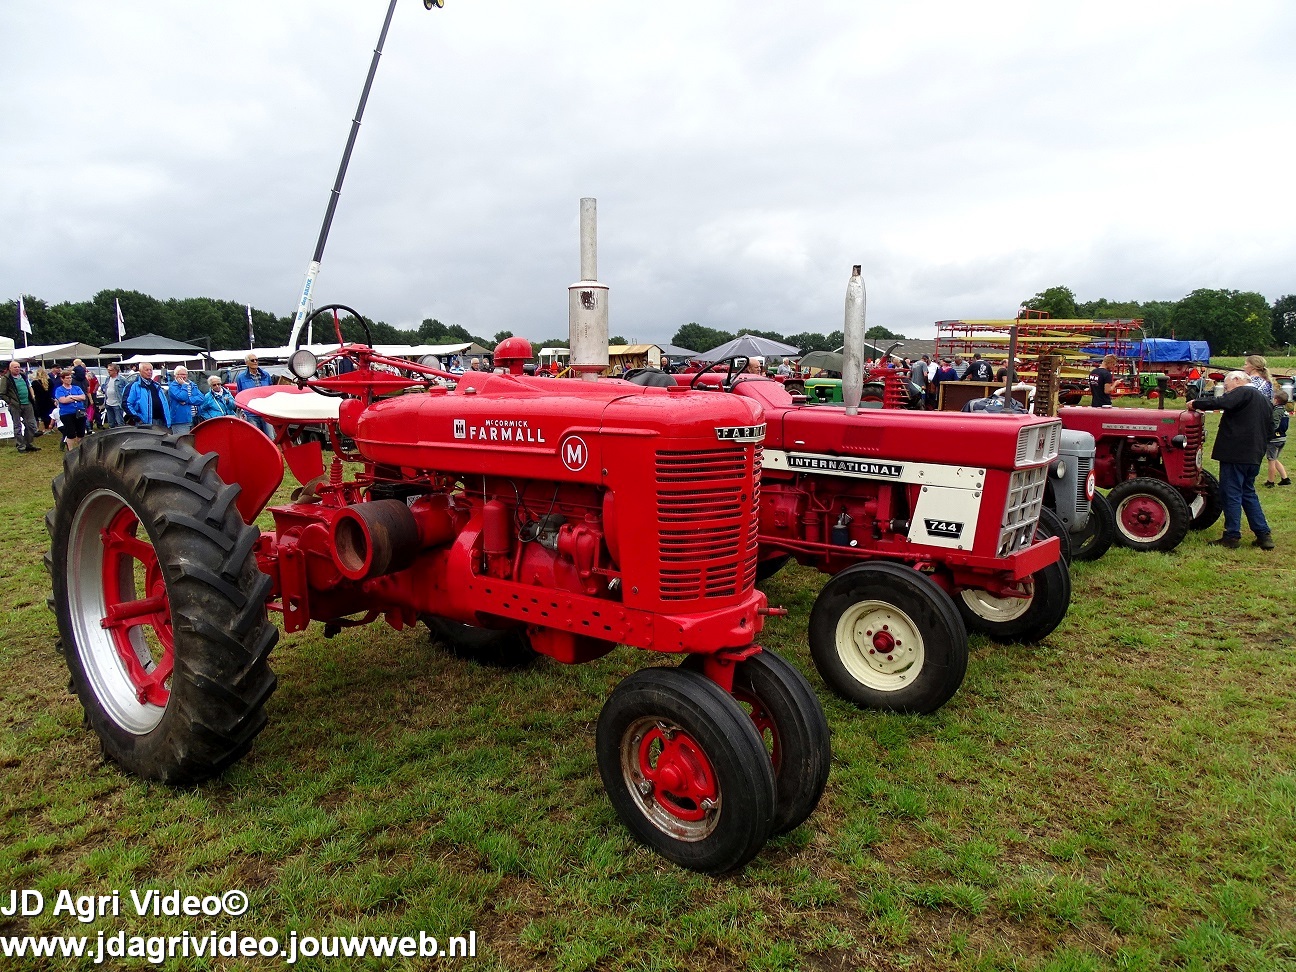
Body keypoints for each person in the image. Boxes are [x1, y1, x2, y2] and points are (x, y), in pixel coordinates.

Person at [1188, 371, 1274, 549]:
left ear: (1237, 380)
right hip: (1254, 454)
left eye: (1227, 387)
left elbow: (1221, 402)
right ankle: (1263, 534)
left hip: (1236, 453)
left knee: (1231, 493)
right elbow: (1271, 428)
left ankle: (1232, 535)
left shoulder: (1244, 392)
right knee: (1248, 492)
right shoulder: (1264, 399)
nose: (1226, 391)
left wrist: (1195, 403)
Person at [0, 360, 40, 452]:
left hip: (27, 403)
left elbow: (29, 386)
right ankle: (20, 446)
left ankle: (28, 443)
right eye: (15, 367)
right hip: (15, 405)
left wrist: (32, 397)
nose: (17, 369)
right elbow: (2, 393)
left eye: (18, 367)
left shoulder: (23, 376)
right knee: (17, 426)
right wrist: (10, 402)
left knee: (31, 424)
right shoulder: (6, 378)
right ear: (10, 368)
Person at [124, 362, 172, 431]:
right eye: (147, 370)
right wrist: (137, 418)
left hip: (162, 421)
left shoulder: (156, 385)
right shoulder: (133, 386)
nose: (149, 372)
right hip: (145, 423)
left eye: (151, 370)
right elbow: (126, 404)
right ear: (140, 371)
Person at [235, 354, 274, 434]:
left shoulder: (266, 375)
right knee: (256, 437)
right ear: (247, 363)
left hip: (266, 412)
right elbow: (240, 395)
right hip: (251, 413)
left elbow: (271, 391)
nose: (255, 362)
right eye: (252, 360)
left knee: (270, 437)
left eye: (256, 360)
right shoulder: (241, 378)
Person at [53, 369, 88, 450]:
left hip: (79, 412)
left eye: (70, 378)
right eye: (67, 378)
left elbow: (83, 397)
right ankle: (70, 450)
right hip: (67, 413)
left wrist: (71, 397)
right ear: (62, 379)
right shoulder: (59, 389)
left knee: (81, 433)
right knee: (71, 434)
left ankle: (81, 449)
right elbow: (63, 400)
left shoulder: (76, 388)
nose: (69, 380)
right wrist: (76, 398)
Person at [165, 366, 204, 435]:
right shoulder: (173, 386)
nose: (184, 376)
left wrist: (187, 401)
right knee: (182, 440)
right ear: (175, 375)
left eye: (185, 374)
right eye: (181, 374)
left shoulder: (192, 385)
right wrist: (184, 385)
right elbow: (182, 397)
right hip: (181, 421)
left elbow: (201, 398)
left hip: (195, 419)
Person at [1264, 391, 1290, 488]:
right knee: (1275, 459)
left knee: (1271, 460)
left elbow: (1274, 425)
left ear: (1276, 400)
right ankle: (1285, 478)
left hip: (1274, 439)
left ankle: (1270, 481)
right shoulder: (1284, 411)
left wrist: (1267, 433)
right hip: (1282, 437)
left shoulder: (1276, 411)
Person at [101, 363, 128, 428]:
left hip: (117, 404)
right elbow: (104, 388)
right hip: (108, 403)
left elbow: (128, 389)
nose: (108, 372)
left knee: (119, 422)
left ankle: (122, 432)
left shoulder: (122, 379)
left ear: (115, 371)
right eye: (108, 370)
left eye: (110, 370)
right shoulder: (107, 378)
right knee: (111, 422)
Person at [31, 366, 56, 432]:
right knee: (50, 414)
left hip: (40, 401)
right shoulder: (50, 381)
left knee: (43, 415)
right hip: (49, 400)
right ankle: (51, 427)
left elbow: (34, 392)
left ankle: (46, 427)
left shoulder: (34, 383)